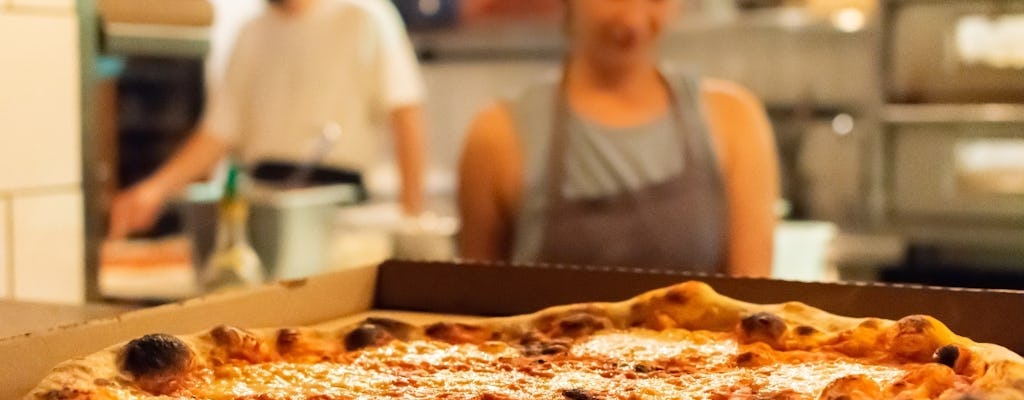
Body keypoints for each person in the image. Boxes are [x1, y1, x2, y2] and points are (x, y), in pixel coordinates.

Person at [457, 0, 779, 277]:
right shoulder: (497, 136)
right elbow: (474, 315)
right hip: (549, 350)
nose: (634, 19)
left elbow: (753, 314)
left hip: (697, 350)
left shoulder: (733, 120)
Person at [108, 0, 426, 239]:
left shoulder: (365, 17)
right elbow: (218, 133)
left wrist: (411, 217)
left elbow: (406, 115)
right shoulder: (252, 32)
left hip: (338, 217)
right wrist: (154, 190)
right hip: (257, 214)